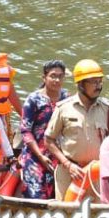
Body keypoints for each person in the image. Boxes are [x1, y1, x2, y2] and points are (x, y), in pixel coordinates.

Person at [44, 59, 109, 200]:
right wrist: (67, 164)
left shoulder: (107, 110)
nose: (98, 86)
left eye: (100, 81)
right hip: (69, 172)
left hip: (96, 175)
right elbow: (49, 140)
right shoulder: (64, 108)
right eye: (94, 82)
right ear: (81, 84)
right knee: (65, 211)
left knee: (96, 212)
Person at [17, 60, 69, 200]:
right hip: (35, 155)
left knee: (58, 197)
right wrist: (40, 156)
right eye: (53, 76)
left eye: (60, 76)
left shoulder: (66, 98)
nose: (57, 80)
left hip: (58, 156)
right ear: (44, 78)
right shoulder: (33, 100)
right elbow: (25, 131)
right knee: (35, 196)